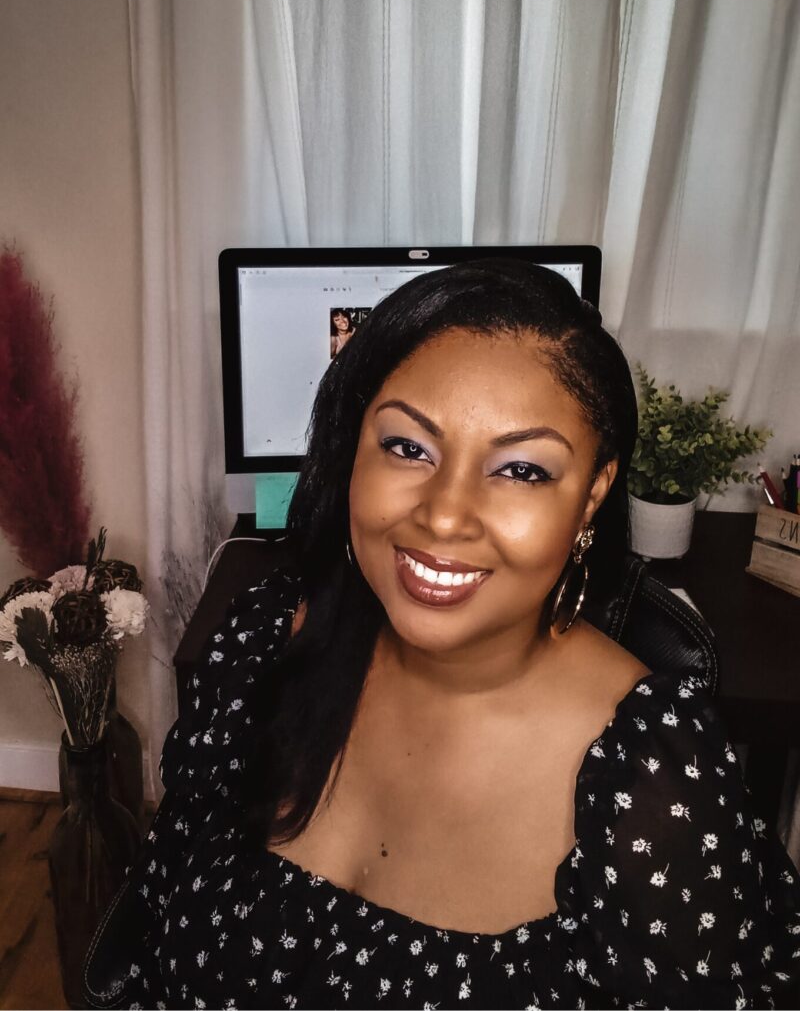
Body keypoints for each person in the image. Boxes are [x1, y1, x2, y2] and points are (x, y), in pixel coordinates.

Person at [85, 261, 800, 1010]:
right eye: (407, 447)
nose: (444, 515)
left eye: (521, 469)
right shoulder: (265, 640)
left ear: (592, 493)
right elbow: (161, 917)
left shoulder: (655, 779)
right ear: (351, 444)